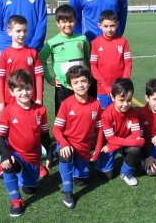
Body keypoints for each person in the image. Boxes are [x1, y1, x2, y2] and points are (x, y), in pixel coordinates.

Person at [0, 15, 47, 179]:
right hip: (10, 103)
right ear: (9, 32)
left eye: (25, 31)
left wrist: (39, 98)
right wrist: (1, 101)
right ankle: (4, 162)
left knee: (33, 133)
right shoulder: (5, 54)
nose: (22, 34)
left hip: (29, 101)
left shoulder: (32, 53)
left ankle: (38, 163)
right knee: (8, 135)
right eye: (18, 31)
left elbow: (38, 77)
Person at [0, 69, 52, 217]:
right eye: (19, 89)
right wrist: (5, 155)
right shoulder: (7, 111)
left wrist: (49, 155)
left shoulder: (41, 110)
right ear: (12, 92)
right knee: (9, 164)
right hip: (16, 154)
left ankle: (18, 175)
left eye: (27, 88)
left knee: (30, 189)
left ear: (32, 88)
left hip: (33, 159)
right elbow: (0, 137)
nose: (24, 93)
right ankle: (16, 200)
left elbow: (45, 135)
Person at [52, 65, 103, 209]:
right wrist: (63, 143)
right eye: (76, 82)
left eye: (83, 81)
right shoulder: (66, 104)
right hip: (67, 143)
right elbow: (56, 129)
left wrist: (97, 150)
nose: (80, 85)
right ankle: (67, 192)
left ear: (89, 82)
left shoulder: (96, 104)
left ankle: (77, 166)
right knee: (66, 155)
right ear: (70, 85)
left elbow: (100, 129)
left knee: (82, 181)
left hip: (84, 147)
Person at [39, 4, 90, 116]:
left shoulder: (82, 39)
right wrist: (49, 79)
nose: (67, 24)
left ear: (75, 21)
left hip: (81, 84)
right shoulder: (52, 43)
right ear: (58, 23)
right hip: (63, 86)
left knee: (82, 113)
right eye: (64, 21)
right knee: (63, 115)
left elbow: (87, 58)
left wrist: (88, 75)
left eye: (71, 21)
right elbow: (40, 60)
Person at [94, 78, 145, 186]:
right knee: (108, 176)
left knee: (135, 150)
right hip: (108, 145)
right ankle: (102, 159)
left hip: (115, 144)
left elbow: (136, 135)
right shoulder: (106, 114)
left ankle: (126, 173)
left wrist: (115, 146)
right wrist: (137, 141)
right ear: (112, 97)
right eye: (121, 100)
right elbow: (111, 139)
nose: (126, 104)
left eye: (129, 100)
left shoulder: (133, 112)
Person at [90, 10, 132, 109]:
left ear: (117, 24)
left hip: (121, 88)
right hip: (102, 89)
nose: (109, 29)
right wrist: (105, 86)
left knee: (121, 112)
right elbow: (93, 66)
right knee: (104, 115)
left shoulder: (123, 41)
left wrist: (124, 82)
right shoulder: (95, 43)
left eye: (112, 26)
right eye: (105, 26)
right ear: (99, 25)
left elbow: (128, 63)